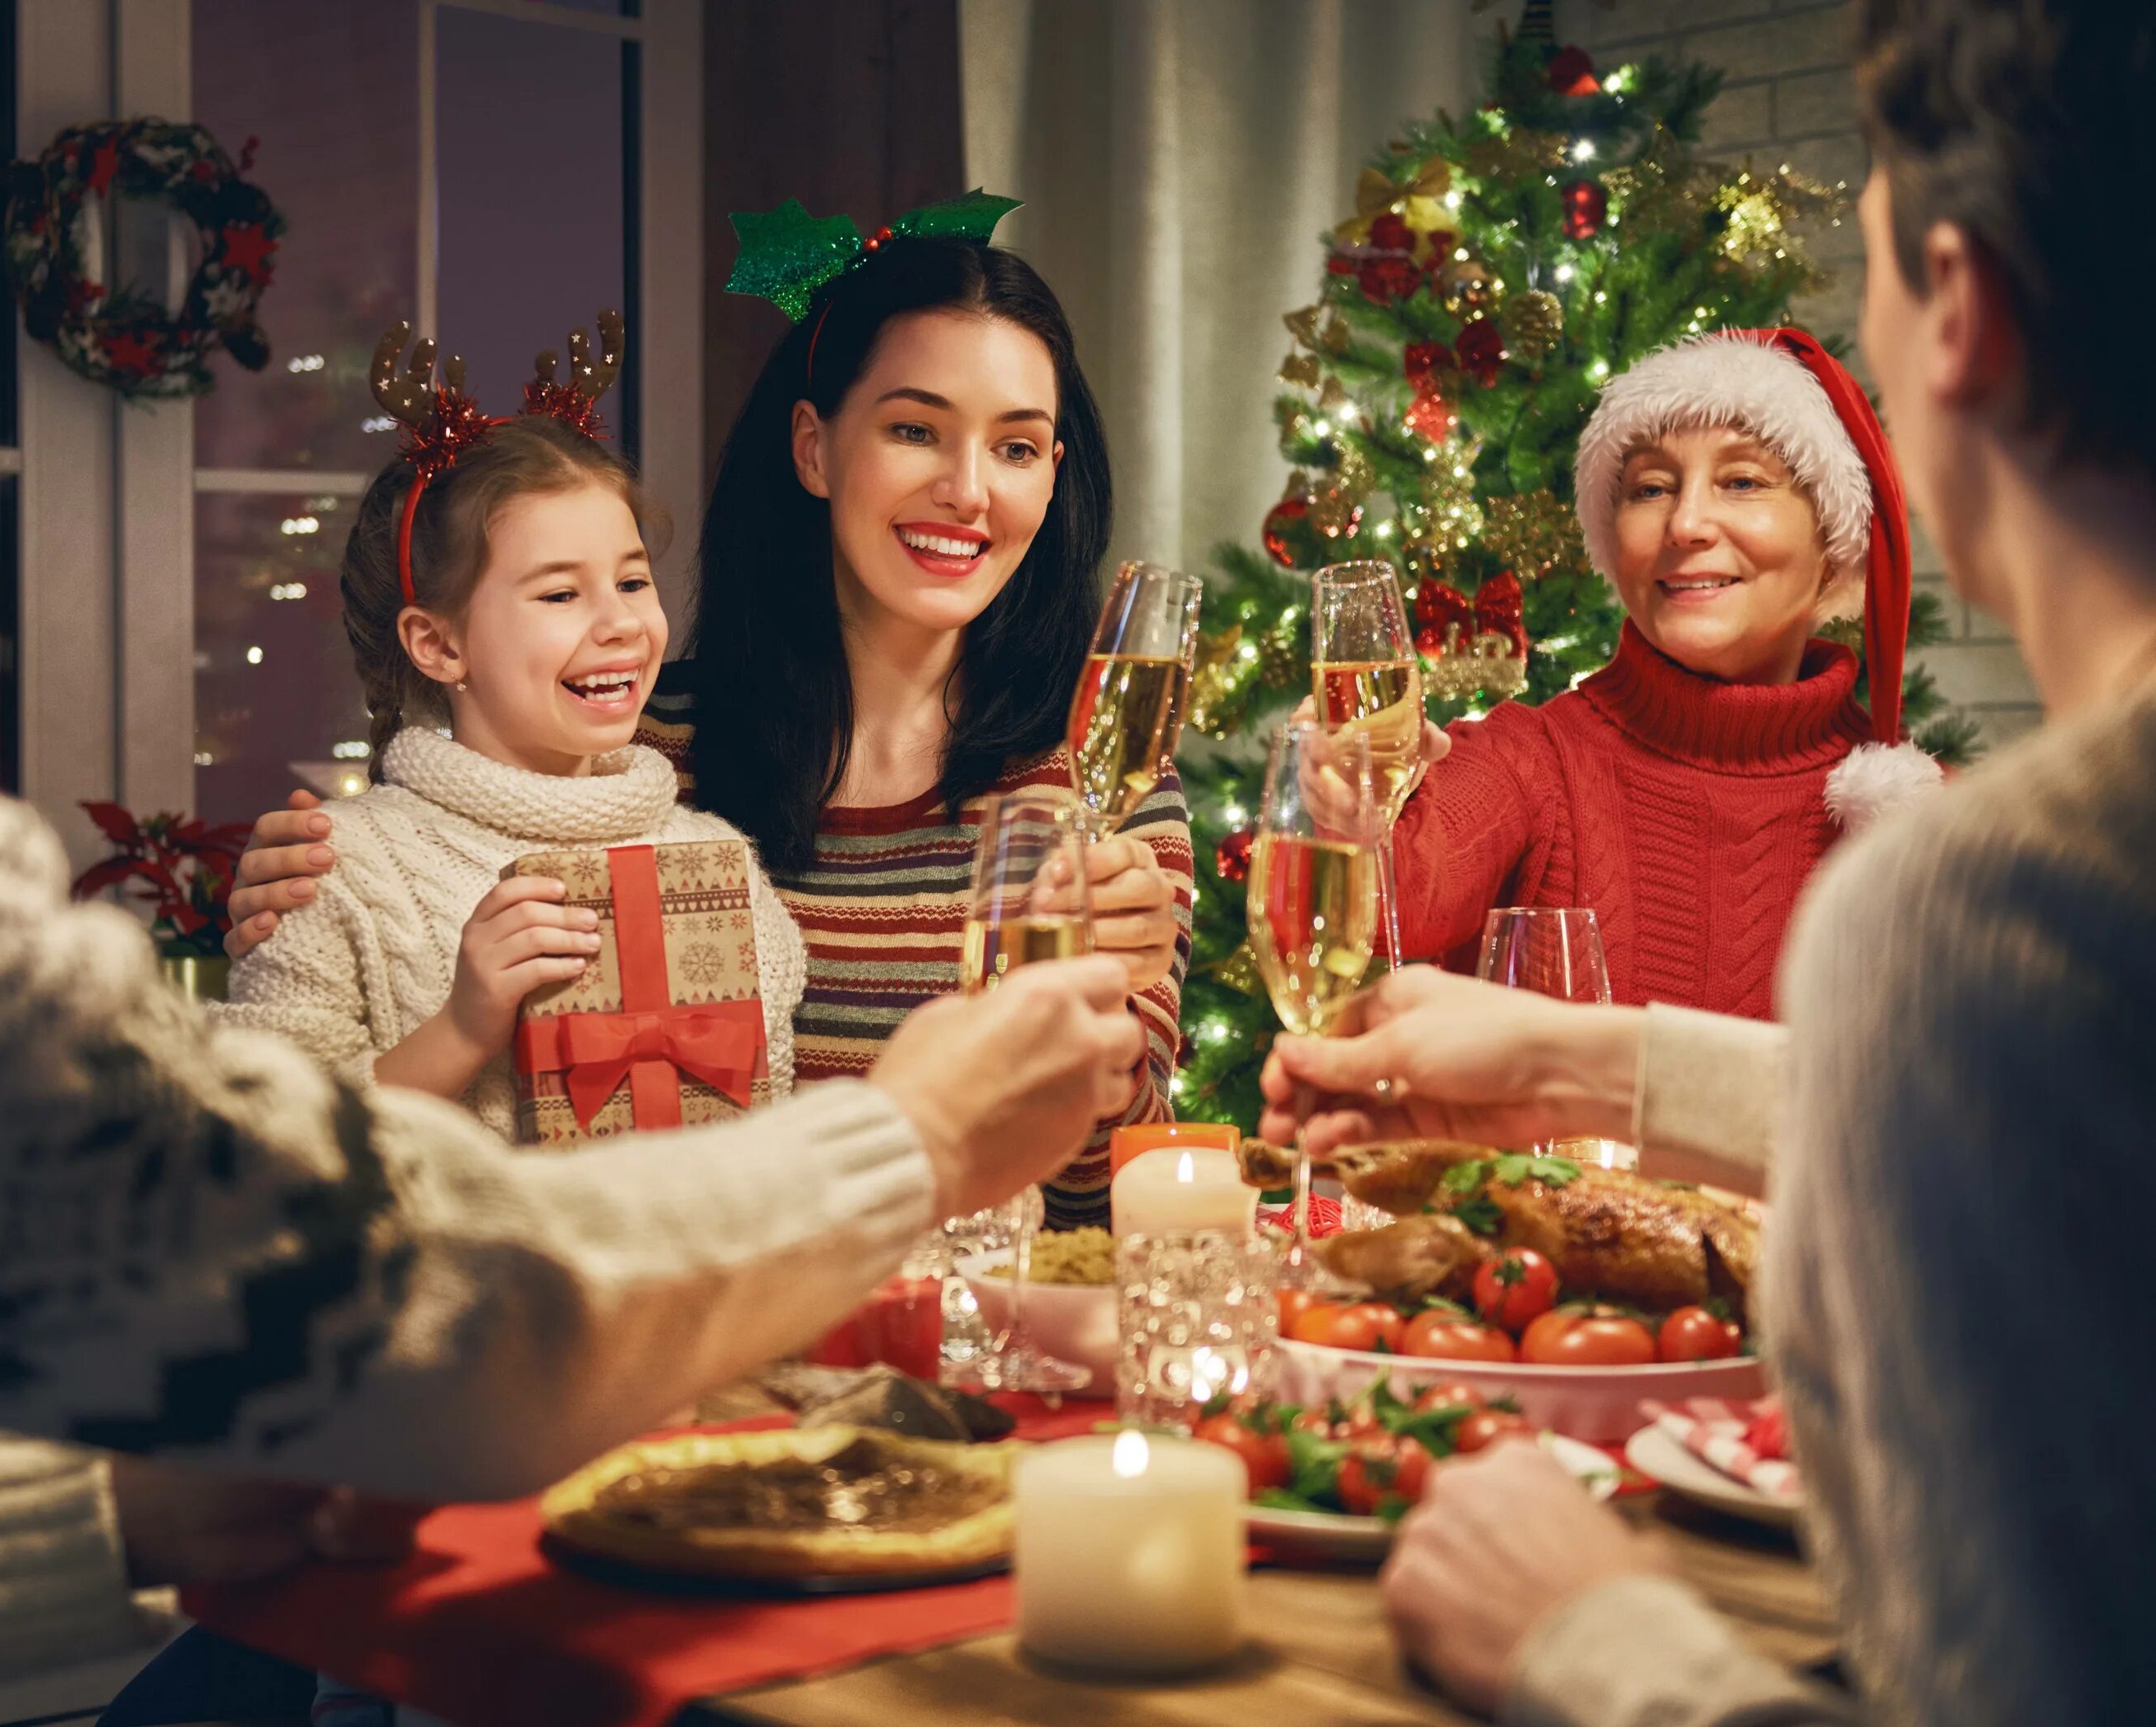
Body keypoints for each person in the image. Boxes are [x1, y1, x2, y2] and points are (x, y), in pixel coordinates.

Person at [0, 5, 1145, 1720]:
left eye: (1024, 439)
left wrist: (121, 1513)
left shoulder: (871, 791)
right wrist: (910, 1132)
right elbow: (426, 1292)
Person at [1267, 0, 2156, 1720]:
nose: (1693, 524)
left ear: (1954, 313)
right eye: (1654, 489)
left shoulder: (1972, 889)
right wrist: (1574, 1050)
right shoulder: (1570, 754)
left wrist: (1591, 1638)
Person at [229, 220, 1192, 1227]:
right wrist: (307, 878)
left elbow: (1105, 1184)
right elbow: (442, 852)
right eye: (916, 430)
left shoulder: (1097, 782)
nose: (968, 488)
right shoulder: (632, 743)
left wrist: (1106, 1020)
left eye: (1017, 446)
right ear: (814, 447)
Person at [217, 376, 805, 1141]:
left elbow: (769, 1143)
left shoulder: (721, 861)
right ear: (440, 644)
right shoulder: (334, 870)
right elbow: (262, 1151)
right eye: (560, 595)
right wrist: (461, 1030)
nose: (622, 622)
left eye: (633, 580)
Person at [1371, 328, 1940, 1019]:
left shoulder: (1918, 822)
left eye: (1741, 481)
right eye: (1650, 488)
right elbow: (1389, 901)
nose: (1687, 523)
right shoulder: (1532, 761)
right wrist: (1349, 814)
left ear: (1832, 543)